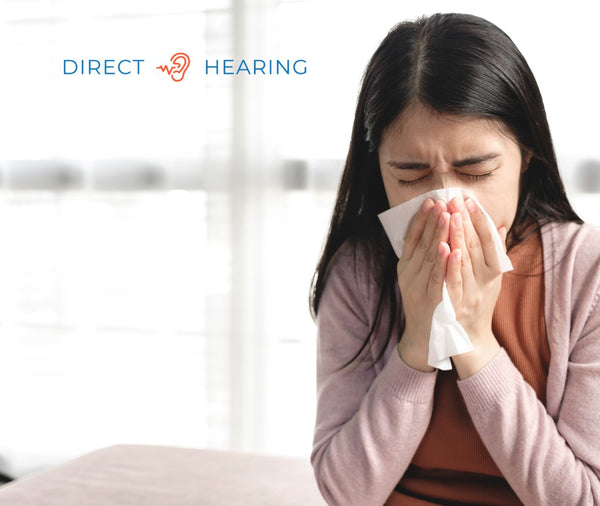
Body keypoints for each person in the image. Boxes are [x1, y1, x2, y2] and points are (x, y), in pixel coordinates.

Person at [309, 12, 600, 506]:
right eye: (410, 175)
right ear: (377, 170)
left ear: (526, 156)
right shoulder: (359, 271)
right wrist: (419, 341)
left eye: (477, 170)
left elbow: (581, 498)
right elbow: (345, 493)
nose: (446, 202)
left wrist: (472, 339)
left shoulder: (585, 273)